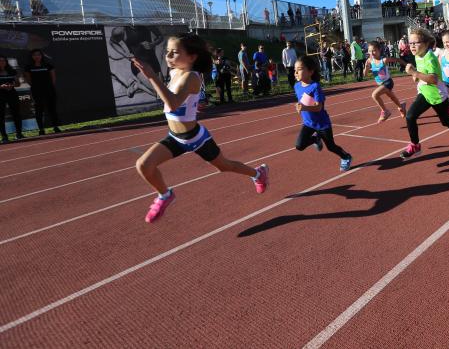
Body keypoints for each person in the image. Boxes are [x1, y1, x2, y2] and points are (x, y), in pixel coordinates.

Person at [131, 33, 269, 223]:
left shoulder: (191, 77)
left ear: (192, 57)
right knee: (143, 165)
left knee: (224, 166)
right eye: (167, 52)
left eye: (174, 52)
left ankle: (258, 173)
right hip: (175, 138)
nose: (168, 56)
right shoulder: (174, 72)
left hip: (196, 137)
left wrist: (152, 76)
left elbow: (172, 103)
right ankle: (164, 194)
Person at [401, 28, 449, 160]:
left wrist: (414, 73)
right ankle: (415, 145)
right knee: (410, 116)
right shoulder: (418, 55)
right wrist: (417, 76)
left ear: (426, 43)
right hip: (424, 93)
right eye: (410, 43)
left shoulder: (431, 58)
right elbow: (422, 72)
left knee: (445, 121)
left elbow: (434, 79)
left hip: (438, 96)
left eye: (415, 43)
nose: (412, 46)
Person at [293, 55, 352, 171]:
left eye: (299, 69)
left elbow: (318, 107)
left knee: (331, 147)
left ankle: (346, 156)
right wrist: (299, 106)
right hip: (308, 123)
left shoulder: (315, 87)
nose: (295, 72)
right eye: (295, 69)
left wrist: (304, 107)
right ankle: (316, 139)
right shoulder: (296, 86)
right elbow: (302, 100)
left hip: (322, 124)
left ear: (310, 71)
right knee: (299, 145)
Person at [363, 41, 407, 122]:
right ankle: (401, 107)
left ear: (379, 50)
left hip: (388, 82)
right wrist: (366, 68)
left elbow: (397, 59)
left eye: (374, 50)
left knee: (374, 95)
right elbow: (365, 75)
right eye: (370, 51)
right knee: (392, 97)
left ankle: (385, 111)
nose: (372, 53)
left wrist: (406, 65)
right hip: (381, 84)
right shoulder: (369, 61)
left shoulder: (384, 60)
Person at [24, 49, 60, 135]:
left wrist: (49, 87)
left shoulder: (48, 65)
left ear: (41, 56)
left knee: (52, 109)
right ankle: (41, 129)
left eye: (38, 55)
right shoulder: (28, 67)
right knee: (39, 109)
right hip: (37, 91)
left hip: (49, 90)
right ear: (32, 57)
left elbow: (53, 78)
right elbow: (29, 80)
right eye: (34, 55)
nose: (37, 57)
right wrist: (36, 87)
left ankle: (56, 127)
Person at [0, 55, 23, 142]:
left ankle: (19, 134)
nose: (2, 62)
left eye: (3, 61)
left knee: (16, 113)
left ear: (6, 62)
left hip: (12, 94)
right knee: (1, 116)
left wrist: (11, 85)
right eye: (0, 61)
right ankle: (4, 136)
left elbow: (18, 84)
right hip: (0, 95)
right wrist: (1, 86)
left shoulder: (12, 71)